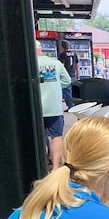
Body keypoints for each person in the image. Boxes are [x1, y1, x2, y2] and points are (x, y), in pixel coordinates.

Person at [36, 39, 72, 169]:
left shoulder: (28, 64)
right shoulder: (55, 63)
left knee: (39, 137)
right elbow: (67, 80)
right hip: (54, 108)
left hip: (36, 109)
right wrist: (55, 85)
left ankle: (42, 165)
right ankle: (56, 167)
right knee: (56, 137)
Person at [58, 40, 79, 108]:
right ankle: (75, 104)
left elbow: (62, 65)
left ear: (62, 46)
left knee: (67, 92)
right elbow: (77, 65)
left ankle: (70, 106)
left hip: (66, 76)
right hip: (73, 75)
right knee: (73, 91)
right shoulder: (74, 54)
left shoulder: (62, 55)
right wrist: (78, 75)